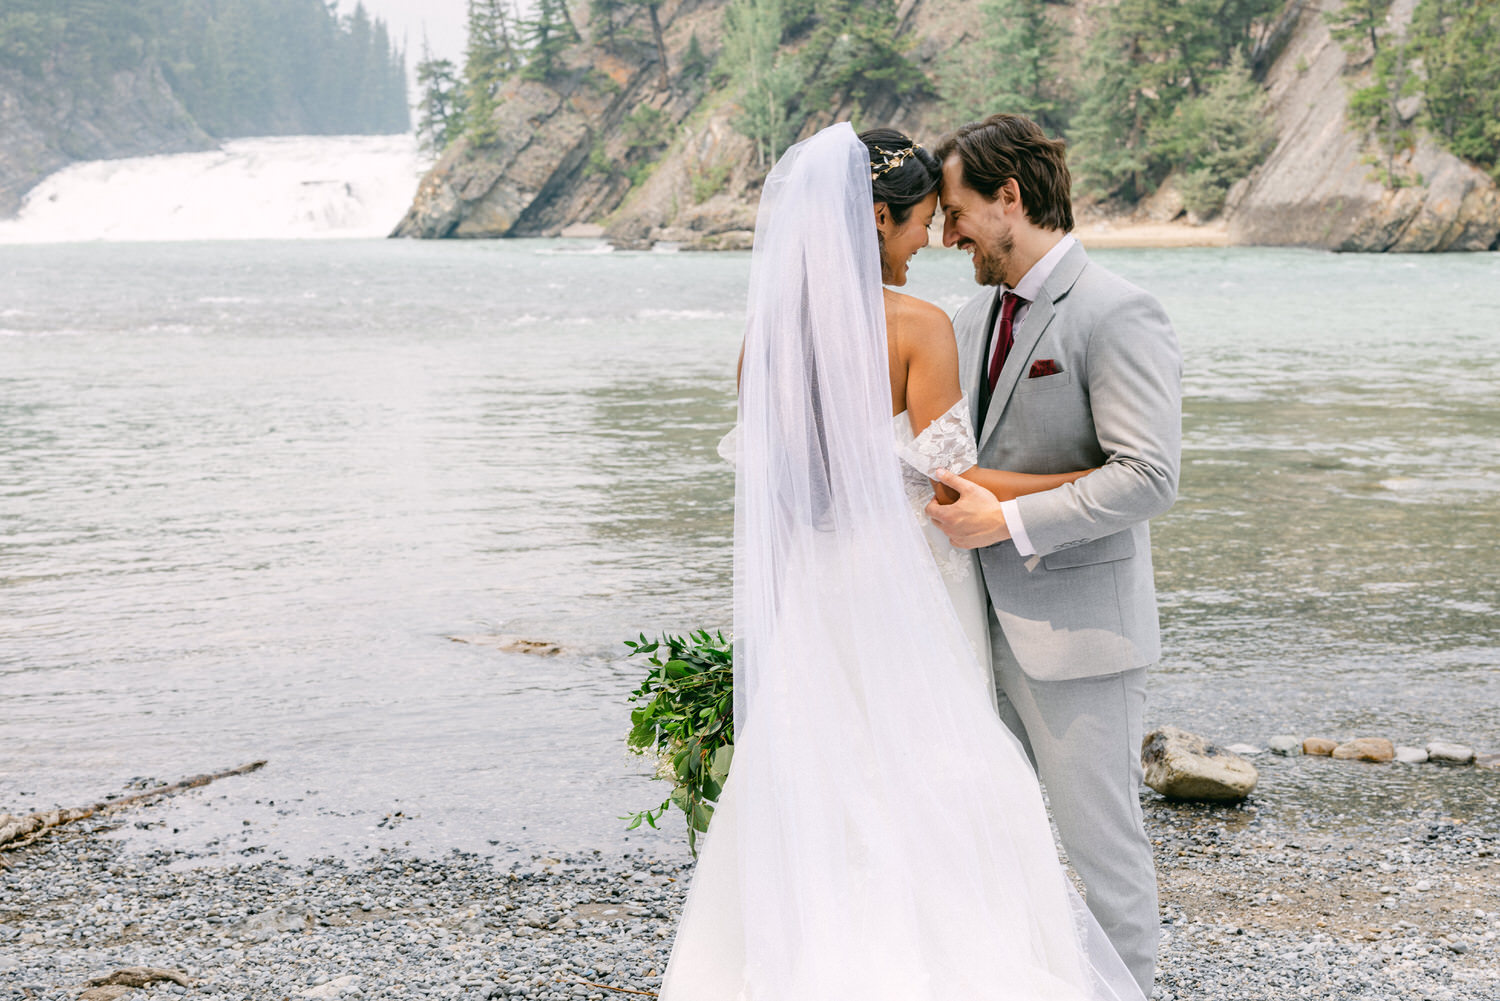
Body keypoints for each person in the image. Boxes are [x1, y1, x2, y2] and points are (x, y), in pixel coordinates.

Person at [660, 123, 1144, 1001]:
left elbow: (779, 489)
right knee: (944, 781)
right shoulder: (918, 325)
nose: (932, 239)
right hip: (912, 585)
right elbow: (946, 483)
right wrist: (1088, 475)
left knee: (830, 781)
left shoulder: (764, 334)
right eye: (923, 220)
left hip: (817, 592)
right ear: (878, 218)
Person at [925, 113, 1182, 996]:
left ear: (1010, 197)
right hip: (973, 631)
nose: (946, 232)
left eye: (957, 212)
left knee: (1103, 853)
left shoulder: (1118, 310)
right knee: (991, 842)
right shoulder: (967, 318)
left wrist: (1011, 523)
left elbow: (1148, 475)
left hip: (1077, 639)